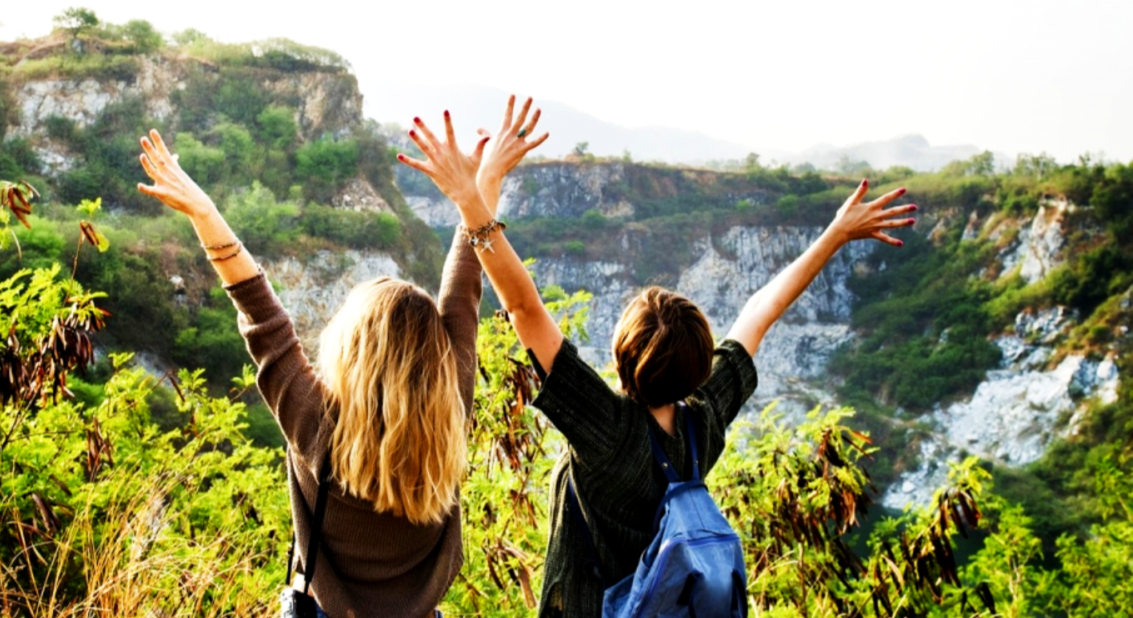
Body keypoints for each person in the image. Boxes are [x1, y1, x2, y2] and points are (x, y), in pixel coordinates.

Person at [397, 100, 917, 618]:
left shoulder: (609, 430)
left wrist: (471, 199)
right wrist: (834, 235)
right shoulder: (704, 422)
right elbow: (761, 312)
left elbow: (522, 305)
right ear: (700, 367)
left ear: (622, 357)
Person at [135, 119, 538, 618]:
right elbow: (463, 294)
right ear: (436, 357)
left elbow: (263, 317)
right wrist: (482, 187)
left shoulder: (318, 426)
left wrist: (204, 211)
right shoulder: (450, 405)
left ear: (351, 349)